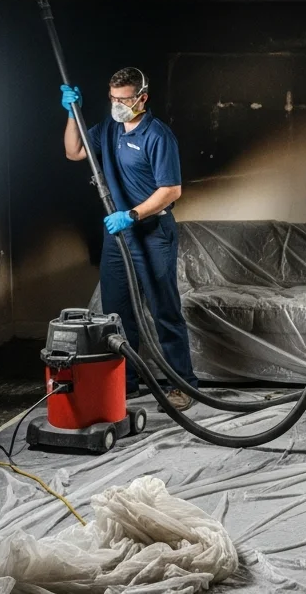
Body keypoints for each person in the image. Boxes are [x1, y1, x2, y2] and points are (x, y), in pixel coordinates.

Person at [61, 67, 199, 413]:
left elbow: (171, 190)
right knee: (117, 313)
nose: (117, 105)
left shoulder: (158, 135)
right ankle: (127, 382)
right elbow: (74, 152)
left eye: (124, 99)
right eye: (113, 98)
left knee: (164, 310)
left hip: (152, 233)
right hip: (117, 235)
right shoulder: (108, 129)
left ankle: (182, 385)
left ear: (142, 98)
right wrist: (72, 114)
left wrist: (133, 215)